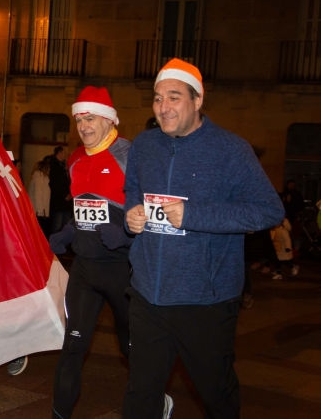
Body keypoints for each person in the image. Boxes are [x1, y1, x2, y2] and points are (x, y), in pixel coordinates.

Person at [122, 58, 284, 418]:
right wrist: (131, 213)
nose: (163, 107)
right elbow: (132, 189)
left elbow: (269, 210)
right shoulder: (145, 145)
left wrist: (195, 215)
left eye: (174, 97)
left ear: (198, 101)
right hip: (148, 294)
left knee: (216, 394)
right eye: (158, 98)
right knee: (141, 393)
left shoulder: (231, 150)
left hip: (205, 301)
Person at [49, 86, 136, 419]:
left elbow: (155, 216)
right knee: (72, 347)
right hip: (85, 271)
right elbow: (82, 209)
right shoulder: (74, 159)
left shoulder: (130, 155)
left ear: (109, 120)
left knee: (133, 350)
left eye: (91, 118)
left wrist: (127, 235)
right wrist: (68, 232)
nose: (84, 126)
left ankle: (156, 402)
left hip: (122, 271)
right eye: (79, 119)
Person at [49, 145, 72, 235]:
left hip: (66, 200)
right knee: (57, 226)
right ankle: (53, 245)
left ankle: (62, 244)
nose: (65, 154)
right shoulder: (54, 166)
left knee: (65, 225)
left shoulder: (63, 166)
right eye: (64, 152)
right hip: (58, 201)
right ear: (59, 153)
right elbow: (54, 183)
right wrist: (64, 195)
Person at [27, 159, 51, 238]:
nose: (49, 169)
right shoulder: (39, 180)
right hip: (39, 214)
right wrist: (40, 212)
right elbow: (37, 196)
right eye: (48, 168)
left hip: (39, 213)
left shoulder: (40, 179)